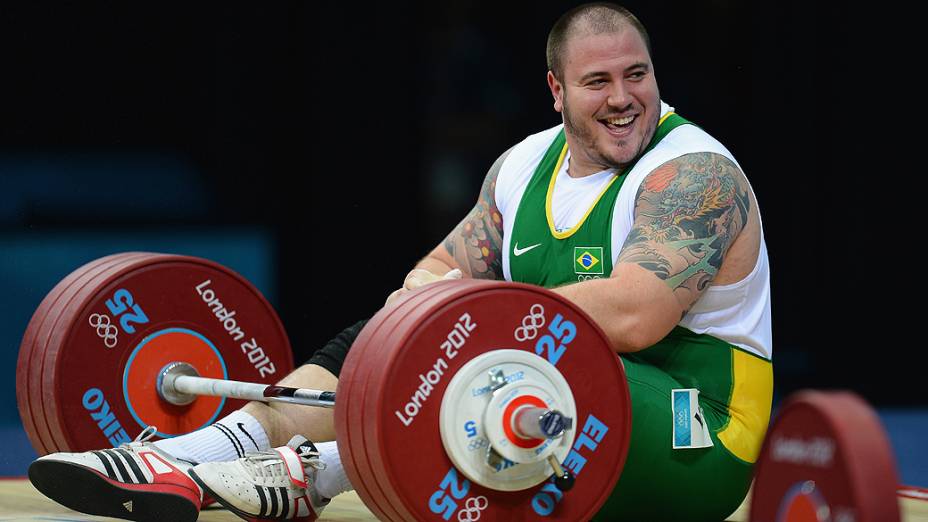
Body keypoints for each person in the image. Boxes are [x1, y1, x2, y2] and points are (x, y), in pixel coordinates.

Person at [28, 3, 772, 521]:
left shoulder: (694, 174)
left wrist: (466, 321)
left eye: (636, 75)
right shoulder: (522, 168)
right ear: (557, 92)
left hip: (695, 432)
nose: (623, 99)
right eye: (598, 82)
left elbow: (639, 315)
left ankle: (313, 473)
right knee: (411, 324)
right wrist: (413, 327)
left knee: (482, 337)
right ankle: (205, 452)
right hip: (551, 398)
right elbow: (433, 277)